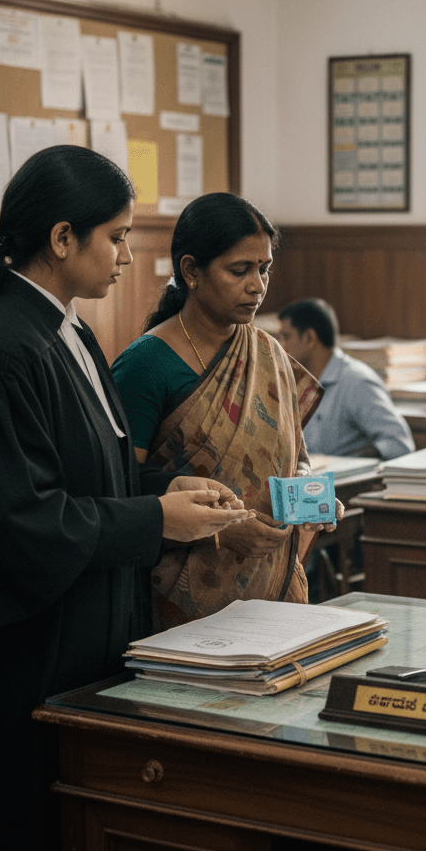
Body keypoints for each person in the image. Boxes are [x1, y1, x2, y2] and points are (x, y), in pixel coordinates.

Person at [0, 146, 248, 851]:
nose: (129, 256)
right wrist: (156, 518)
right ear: (63, 239)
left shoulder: (67, 331)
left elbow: (89, 473)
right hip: (17, 660)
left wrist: (164, 484)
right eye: (117, 236)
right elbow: (21, 523)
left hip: (78, 638)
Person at [111, 193, 341, 630]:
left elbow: (296, 457)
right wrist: (222, 529)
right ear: (192, 271)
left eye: (264, 269)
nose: (257, 285)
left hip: (272, 586)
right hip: (179, 596)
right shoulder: (146, 365)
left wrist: (312, 499)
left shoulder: (267, 352)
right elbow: (120, 486)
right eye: (240, 271)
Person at [276, 298, 415, 460]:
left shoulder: (356, 381)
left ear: (309, 338)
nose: (281, 346)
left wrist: (353, 459)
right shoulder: (297, 381)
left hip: (346, 481)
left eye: (286, 337)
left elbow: (400, 444)